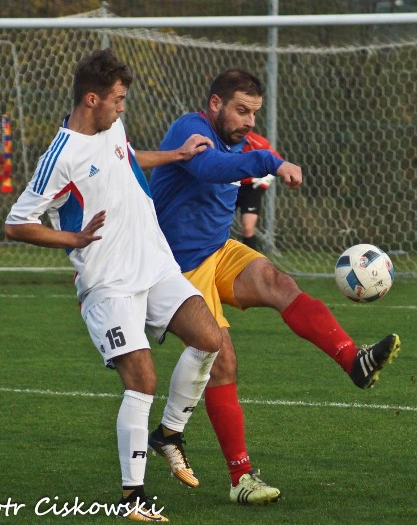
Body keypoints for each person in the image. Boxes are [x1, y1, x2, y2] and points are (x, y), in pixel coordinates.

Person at [148, 69, 401, 504]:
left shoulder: (249, 143)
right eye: (241, 111)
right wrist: (270, 162)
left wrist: (272, 164)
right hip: (177, 268)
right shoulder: (191, 129)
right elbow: (210, 169)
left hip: (217, 250)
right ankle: (241, 479)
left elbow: (252, 171)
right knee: (222, 360)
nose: (249, 121)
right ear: (215, 105)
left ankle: (353, 361)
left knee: (277, 281)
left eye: (255, 113)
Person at [4, 49, 224, 522]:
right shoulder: (60, 156)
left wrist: (177, 155)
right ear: (91, 99)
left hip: (154, 264)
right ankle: (133, 499)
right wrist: (72, 238)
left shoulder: (111, 129)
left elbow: (125, 159)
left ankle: (168, 434)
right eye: (118, 99)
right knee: (141, 380)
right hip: (109, 284)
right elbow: (16, 223)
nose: (122, 107)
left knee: (210, 338)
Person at [234, 131, 281, 250]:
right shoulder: (219, 139)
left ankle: (250, 263)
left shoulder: (257, 142)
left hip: (251, 188)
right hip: (228, 185)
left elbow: (277, 162)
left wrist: (265, 179)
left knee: (248, 226)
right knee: (217, 225)